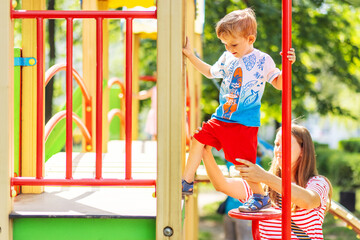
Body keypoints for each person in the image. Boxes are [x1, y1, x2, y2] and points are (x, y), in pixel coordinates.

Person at [181, 8, 296, 213]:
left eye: (233, 44)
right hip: (222, 116)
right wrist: (190, 55)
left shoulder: (263, 60)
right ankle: (186, 181)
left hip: (244, 122)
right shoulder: (227, 57)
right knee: (198, 139)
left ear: (250, 38)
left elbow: (279, 84)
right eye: (225, 44)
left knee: (244, 164)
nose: (229, 48)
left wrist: (288, 66)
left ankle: (260, 197)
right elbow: (209, 72)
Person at [201, 124, 333, 239]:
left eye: (285, 144)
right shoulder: (262, 187)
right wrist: (206, 153)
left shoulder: (318, 183)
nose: (278, 150)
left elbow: (308, 201)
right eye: (277, 144)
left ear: (302, 151)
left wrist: (265, 177)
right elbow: (222, 185)